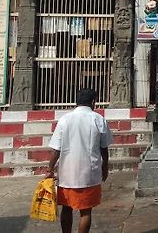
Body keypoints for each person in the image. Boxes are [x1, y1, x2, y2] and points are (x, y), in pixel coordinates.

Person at [46, 88, 114, 233]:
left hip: (67, 172)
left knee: (66, 207)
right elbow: (104, 148)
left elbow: (56, 149)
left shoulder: (65, 119)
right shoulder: (98, 119)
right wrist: (105, 166)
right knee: (86, 211)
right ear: (93, 101)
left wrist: (49, 169)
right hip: (88, 172)